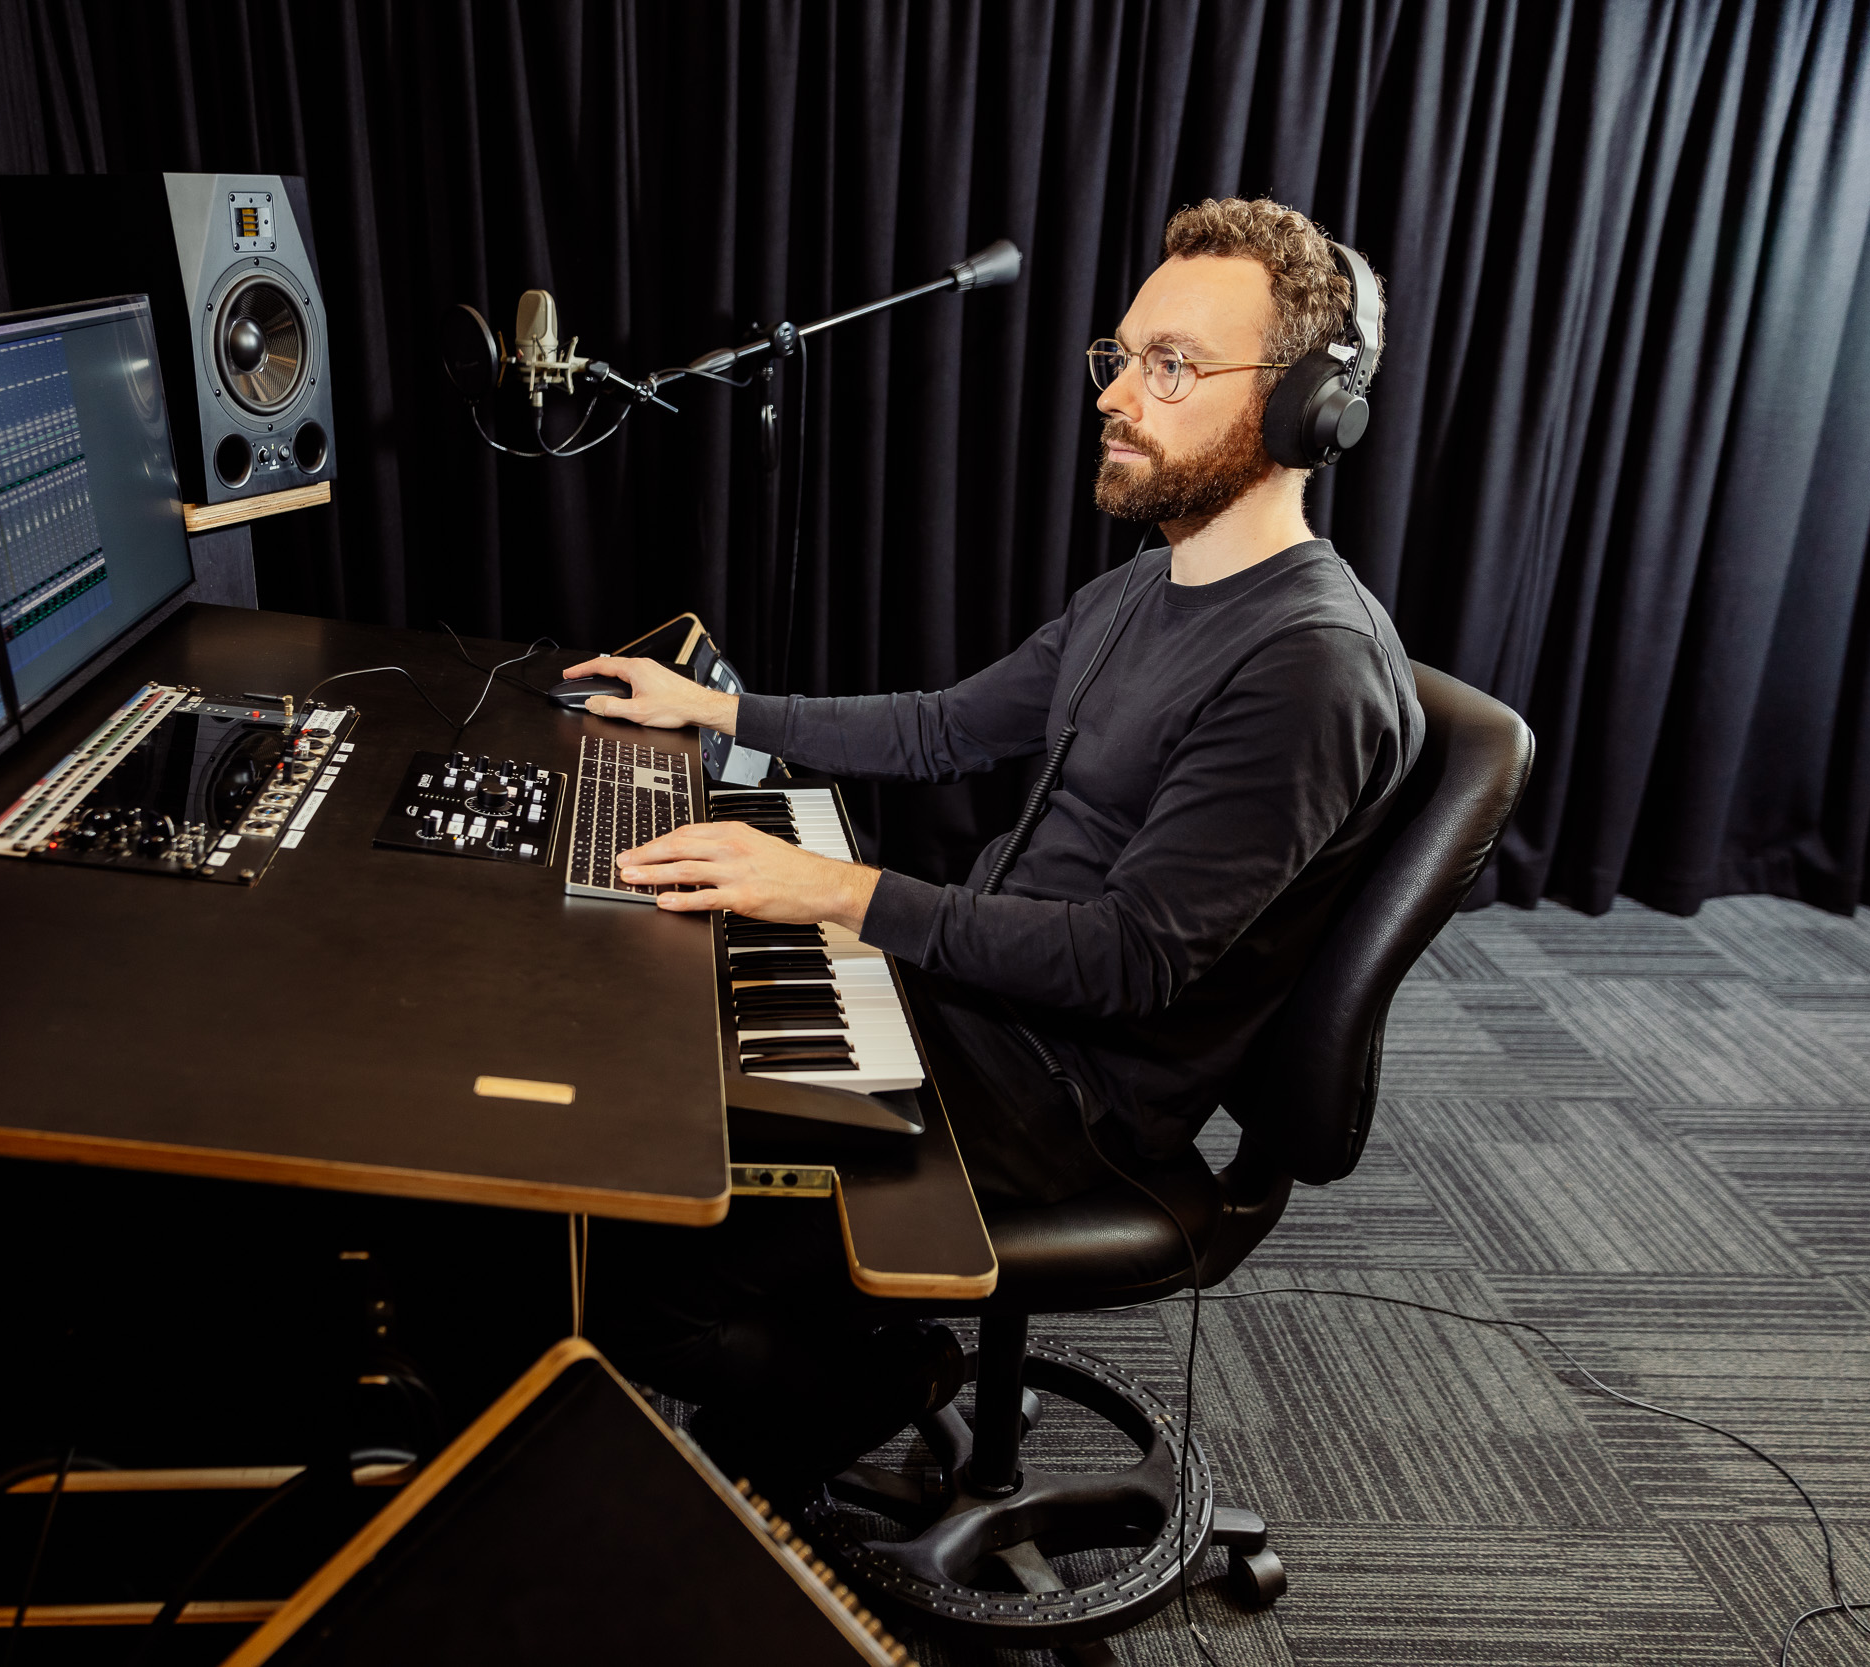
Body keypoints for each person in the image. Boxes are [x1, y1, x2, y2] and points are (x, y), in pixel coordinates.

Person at [576, 197, 1424, 1486]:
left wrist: (840, 893)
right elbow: (946, 727)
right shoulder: (1147, 584)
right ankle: (832, 1356)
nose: (1117, 396)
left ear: (1307, 407)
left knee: (645, 1258)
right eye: (1121, 356)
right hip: (976, 1003)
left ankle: (868, 1387)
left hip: (1066, 1098)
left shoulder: (1309, 666)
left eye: (1173, 366)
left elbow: (1130, 961)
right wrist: (720, 711)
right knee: (663, 1063)